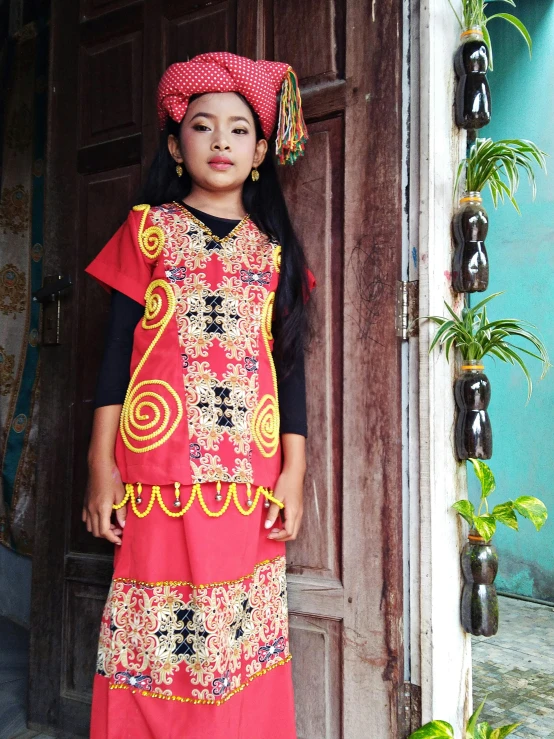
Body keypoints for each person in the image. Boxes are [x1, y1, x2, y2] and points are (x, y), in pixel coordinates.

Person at [82, 51, 317, 738]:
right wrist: (102, 465)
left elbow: (290, 367)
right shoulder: (147, 229)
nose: (221, 142)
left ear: (263, 149)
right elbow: (114, 356)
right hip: (156, 476)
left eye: (240, 130)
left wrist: (295, 472)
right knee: (158, 639)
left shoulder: (273, 253)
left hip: (249, 480)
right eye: (204, 126)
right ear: (175, 145)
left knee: (236, 646)